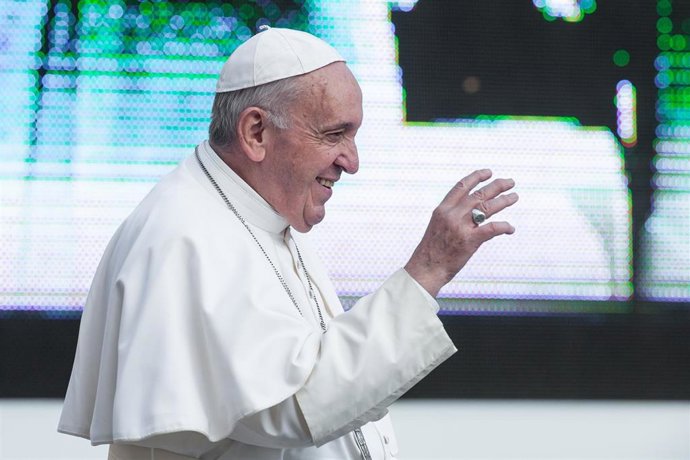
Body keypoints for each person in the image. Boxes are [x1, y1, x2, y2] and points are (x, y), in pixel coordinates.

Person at [58, 27, 518, 459]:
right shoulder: (186, 237)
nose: (351, 162)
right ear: (256, 132)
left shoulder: (254, 215)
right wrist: (428, 270)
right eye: (335, 134)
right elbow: (296, 404)